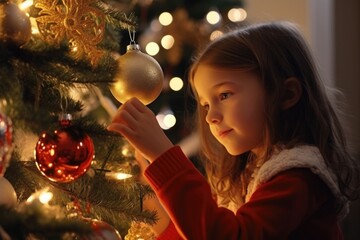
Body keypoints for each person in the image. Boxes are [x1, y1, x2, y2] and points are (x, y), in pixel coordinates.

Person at [108, 21, 360, 239]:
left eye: (225, 95)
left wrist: (165, 157)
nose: (211, 117)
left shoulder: (298, 177)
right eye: (206, 104)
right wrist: (157, 210)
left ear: (287, 94)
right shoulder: (248, 174)